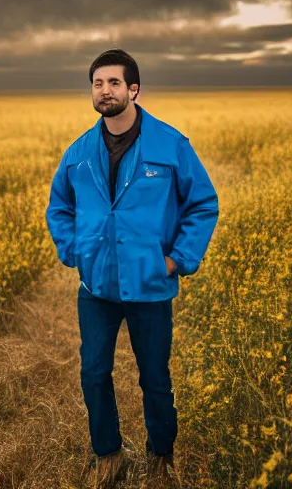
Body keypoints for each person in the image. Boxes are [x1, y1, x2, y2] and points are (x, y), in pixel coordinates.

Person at [46, 48, 219, 488]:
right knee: (93, 373)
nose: (105, 91)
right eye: (98, 83)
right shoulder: (79, 152)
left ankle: (161, 456)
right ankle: (108, 455)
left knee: (155, 378)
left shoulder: (170, 144)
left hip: (150, 283)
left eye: (114, 83)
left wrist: (177, 258)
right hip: (97, 285)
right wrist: (74, 251)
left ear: (134, 89)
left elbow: (203, 204)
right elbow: (60, 207)